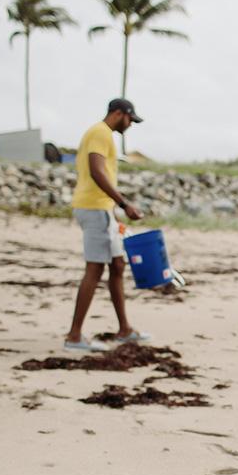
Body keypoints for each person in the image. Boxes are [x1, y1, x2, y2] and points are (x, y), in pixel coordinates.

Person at [64, 98, 148, 352]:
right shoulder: (101, 133)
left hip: (102, 209)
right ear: (119, 113)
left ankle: (124, 329)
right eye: (130, 120)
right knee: (95, 269)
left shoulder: (102, 134)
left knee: (118, 265)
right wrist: (124, 204)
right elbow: (97, 171)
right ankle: (74, 336)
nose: (130, 125)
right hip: (93, 208)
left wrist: (113, 212)